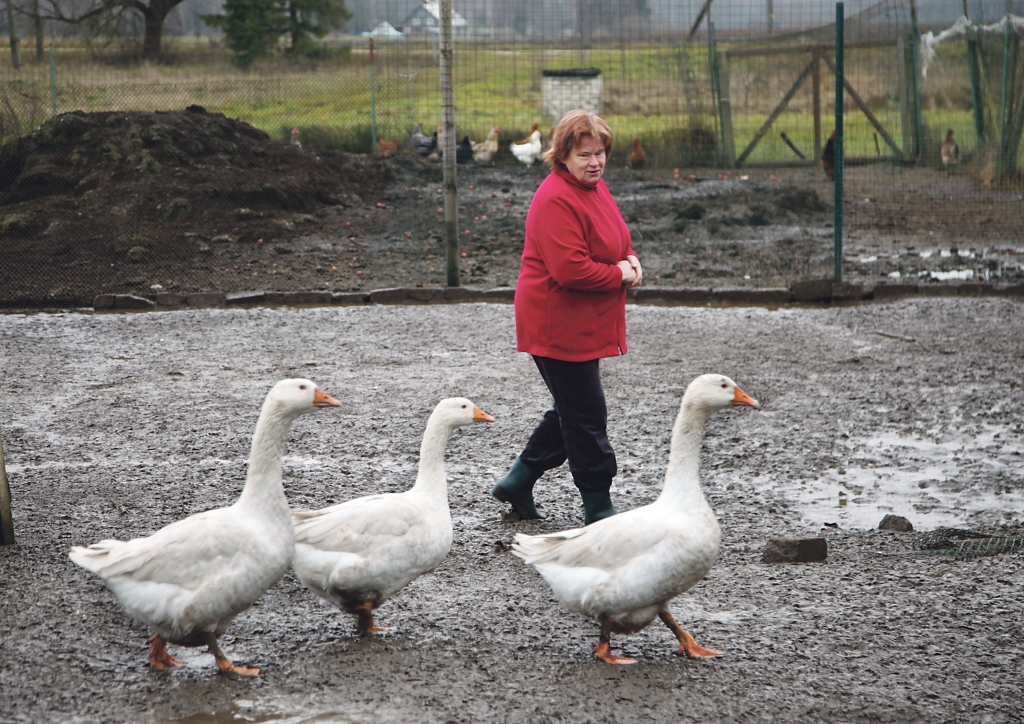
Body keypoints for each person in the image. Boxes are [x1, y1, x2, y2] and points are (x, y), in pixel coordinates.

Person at [492, 109, 642, 525]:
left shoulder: (593, 187)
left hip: (580, 321)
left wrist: (629, 259)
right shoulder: (556, 198)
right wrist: (620, 274)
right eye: (584, 155)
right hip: (555, 323)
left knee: (572, 408)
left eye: (600, 153)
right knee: (586, 415)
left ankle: (518, 480)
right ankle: (599, 508)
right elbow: (570, 270)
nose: (595, 163)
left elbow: (614, 240)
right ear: (562, 156)